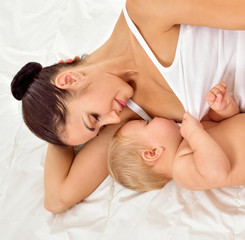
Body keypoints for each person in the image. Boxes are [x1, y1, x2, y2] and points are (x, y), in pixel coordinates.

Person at [10, 0, 245, 213]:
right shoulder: (129, 115)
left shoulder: (146, 9)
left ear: (70, 79)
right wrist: (58, 132)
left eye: (93, 117)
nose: (111, 120)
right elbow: (57, 199)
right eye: (99, 128)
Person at [108, 81, 245, 192]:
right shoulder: (181, 170)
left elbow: (225, 122)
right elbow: (217, 172)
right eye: (147, 123)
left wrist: (222, 108)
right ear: (152, 152)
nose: (154, 117)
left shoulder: (191, 137)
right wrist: (194, 133)